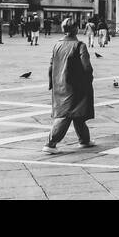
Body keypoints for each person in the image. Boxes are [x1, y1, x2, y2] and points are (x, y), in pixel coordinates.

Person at [46, 19, 95, 150]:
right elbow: (87, 67)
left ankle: (85, 140)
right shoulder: (80, 45)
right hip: (75, 86)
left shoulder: (57, 45)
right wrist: (88, 80)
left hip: (59, 83)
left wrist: (52, 83)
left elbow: (51, 66)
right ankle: (50, 143)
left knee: (77, 114)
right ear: (76, 29)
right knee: (66, 115)